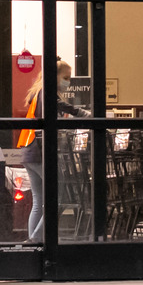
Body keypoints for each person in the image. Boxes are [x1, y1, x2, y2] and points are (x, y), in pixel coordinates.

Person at [21, 58, 91, 243]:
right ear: (54, 77)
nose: (68, 82)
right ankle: (36, 239)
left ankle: (34, 240)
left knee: (38, 201)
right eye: (66, 77)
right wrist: (82, 114)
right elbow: (60, 107)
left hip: (29, 151)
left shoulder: (37, 93)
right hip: (40, 152)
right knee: (58, 198)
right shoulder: (48, 94)